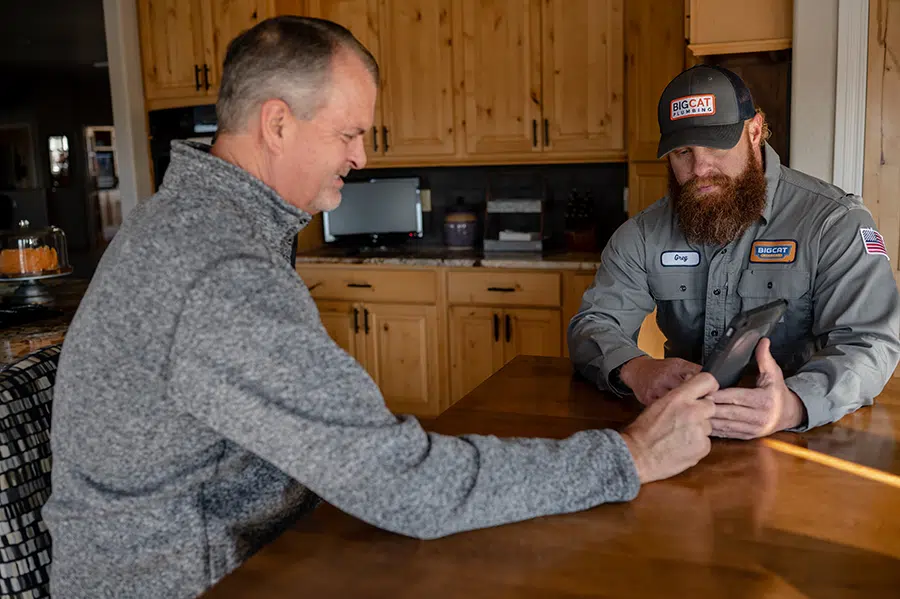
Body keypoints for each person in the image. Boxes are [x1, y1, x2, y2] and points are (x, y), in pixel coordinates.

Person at [44, 17, 720, 599]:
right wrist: (627, 455)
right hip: (186, 582)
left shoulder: (195, 223)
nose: (362, 157)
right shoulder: (218, 267)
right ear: (277, 123)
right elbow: (404, 486)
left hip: (237, 552)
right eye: (348, 134)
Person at [569, 64, 900, 440]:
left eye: (715, 145)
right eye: (682, 152)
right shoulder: (643, 234)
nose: (700, 168)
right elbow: (592, 325)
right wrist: (636, 368)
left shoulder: (833, 222)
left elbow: (870, 341)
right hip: (685, 431)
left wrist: (791, 404)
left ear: (755, 131)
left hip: (804, 436)